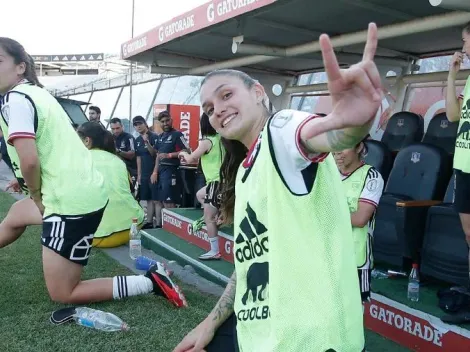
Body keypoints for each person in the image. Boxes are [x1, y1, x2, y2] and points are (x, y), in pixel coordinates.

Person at [174, 23, 382, 352]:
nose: (218, 110)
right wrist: (210, 323)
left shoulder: (280, 129)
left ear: (258, 92)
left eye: (227, 95)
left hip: (311, 340)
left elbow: (318, 135)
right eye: (210, 109)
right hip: (260, 330)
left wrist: (350, 123)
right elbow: (252, 261)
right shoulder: (246, 170)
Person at [0, 37, 186, 308]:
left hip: (68, 201)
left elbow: (29, 161)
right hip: (80, 192)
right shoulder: (36, 93)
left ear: (20, 67)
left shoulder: (14, 99)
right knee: (16, 215)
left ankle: (151, 282)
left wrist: (37, 195)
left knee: (63, 292)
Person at [77, 121, 145, 248]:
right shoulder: (117, 160)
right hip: (133, 226)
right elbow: (130, 190)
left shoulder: (79, 159)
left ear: (87, 141)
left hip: (98, 236)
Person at [333, 139, 384, 303]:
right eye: (334, 149)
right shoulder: (326, 174)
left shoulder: (371, 176)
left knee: (352, 313)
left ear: (359, 147)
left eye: (343, 147)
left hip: (356, 258)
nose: (337, 153)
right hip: (326, 254)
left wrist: (325, 212)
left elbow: (360, 218)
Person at [179, 113, 224, 260]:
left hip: (215, 183)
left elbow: (191, 158)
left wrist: (183, 153)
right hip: (224, 181)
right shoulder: (221, 138)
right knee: (200, 194)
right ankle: (218, 214)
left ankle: (215, 251)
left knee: (208, 218)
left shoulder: (206, 141)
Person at [446, 21, 470, 292]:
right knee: (468, 235)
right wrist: (453, 76)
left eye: (465, 40)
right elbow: (453, 115)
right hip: (464, 167)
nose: (462, 47)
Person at [151, 110, 190, 226]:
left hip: (172, 170)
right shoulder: (160, 137)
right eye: (162, 121)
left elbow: (188, 150)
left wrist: (170, 155)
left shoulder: (178, 134)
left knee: (170, 202)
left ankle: (173, 228)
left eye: (167, 120)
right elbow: (158, 155)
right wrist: (154, 172)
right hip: (161, 172)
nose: (165, 123)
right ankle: (164, 226)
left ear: (171, 120)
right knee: (161, 201)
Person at [133, 115, 158, 228]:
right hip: (144, 172)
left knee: (155, 198)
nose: (138, 126)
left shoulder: (154, 136)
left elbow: (155, 154)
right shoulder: (137, 140)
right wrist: (139, 174)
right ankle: (149, 221)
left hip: (154, 170)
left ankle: (158, 222)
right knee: (147, 197)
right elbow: (138, 157)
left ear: (145, 123)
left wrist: (147, 142)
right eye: (135, 125)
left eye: (139, 124)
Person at [110, 117, 137, 185]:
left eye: (117, 128)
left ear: (122, 127)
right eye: (113, 129)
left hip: (129, 170)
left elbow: (132, 155)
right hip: (115, 171)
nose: (115, 131)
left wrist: (118, 151)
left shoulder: (129, 137)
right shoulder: (110, 138)